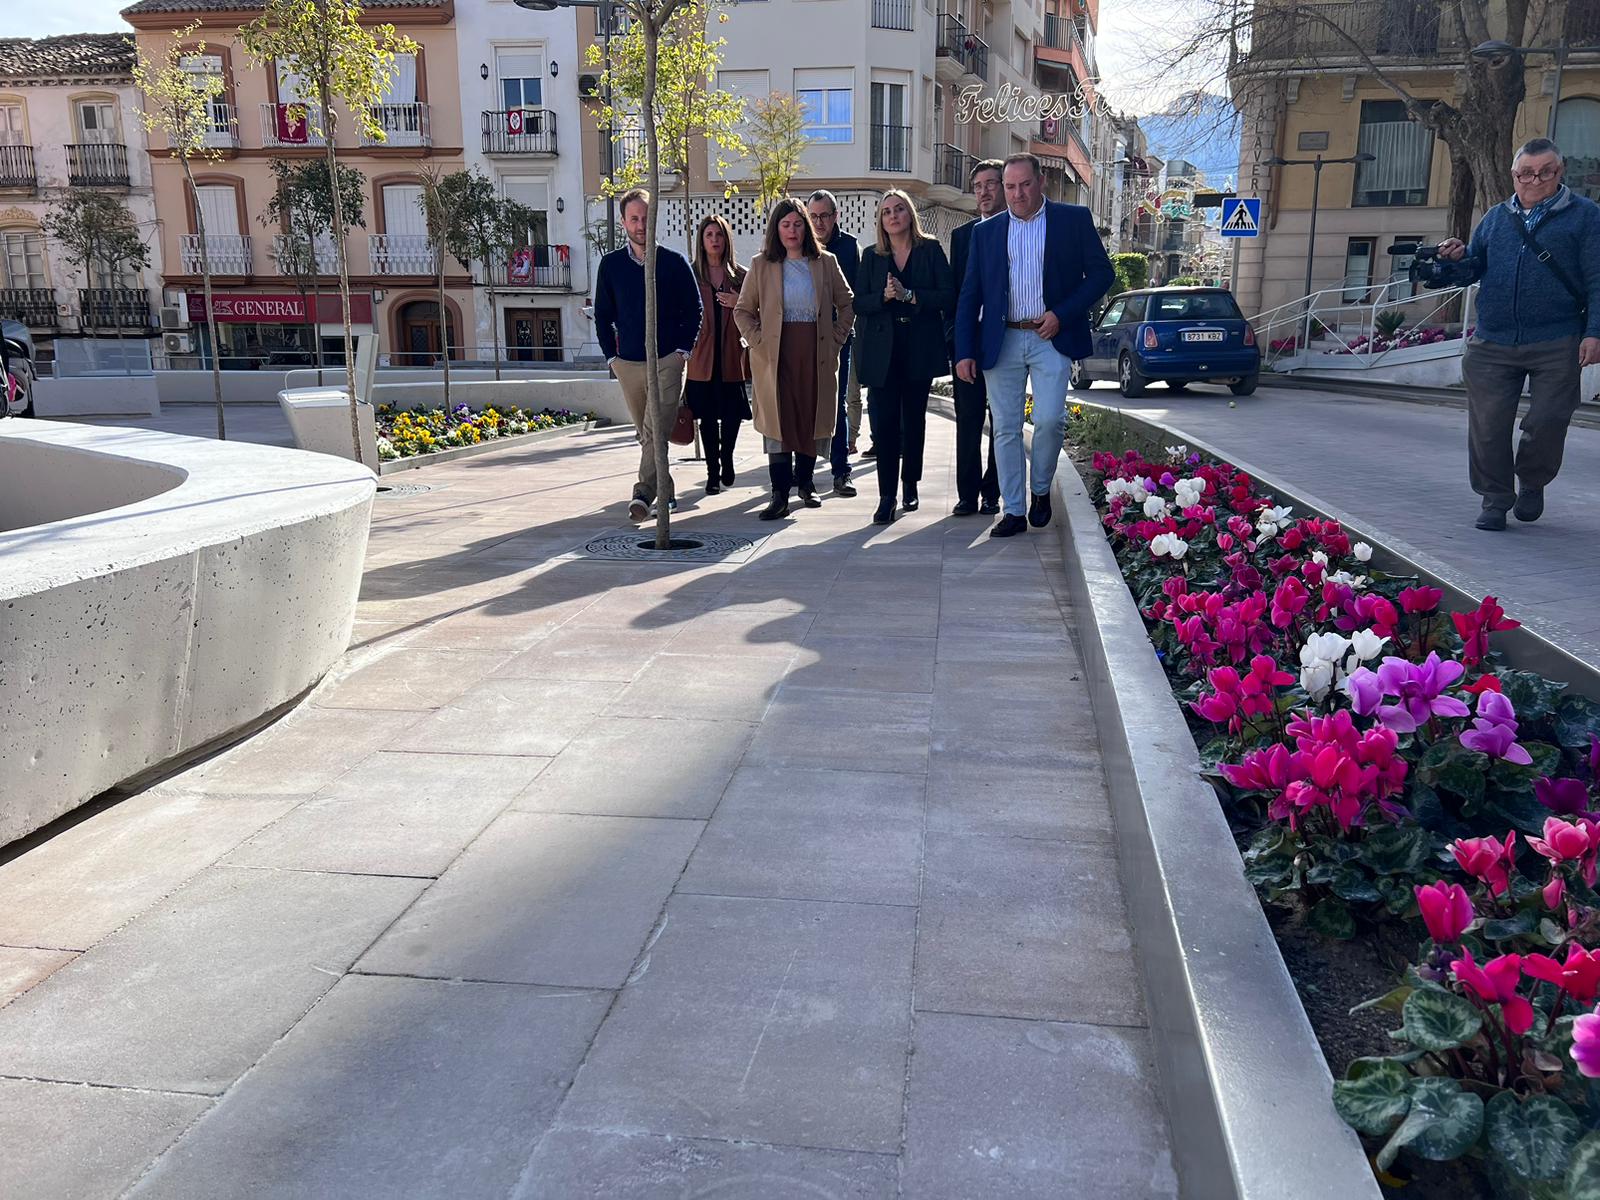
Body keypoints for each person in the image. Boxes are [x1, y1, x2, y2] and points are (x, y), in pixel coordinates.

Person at [1437, 137, 1600, 531]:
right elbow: (1474, 269)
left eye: (1545, 171)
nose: (1535, 180)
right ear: (1514, 175)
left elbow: (1597, 279)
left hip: (1557, 338)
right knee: (1488, 426)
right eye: (1526, 173)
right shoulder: (1496, 217)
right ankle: (1494, 499)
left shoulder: (1585, 216)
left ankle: (1532, 480)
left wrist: (1594, 332)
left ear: (1559, 173)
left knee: (1547, 421)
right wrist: (1456, 259)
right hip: (1493, 340)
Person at [954, 152, 1115, 537]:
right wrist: (963, 350)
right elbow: (969, 293)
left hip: (1051, 336)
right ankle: (1013, 510)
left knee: (1049, 420)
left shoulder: (1072, 221)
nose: (1017, 194)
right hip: (1002, 338)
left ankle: (1040, 489)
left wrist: (1062, 312)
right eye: (1010, 186)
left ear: (1041, 182)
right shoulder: (985, 232)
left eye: (1025, 185)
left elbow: (1101, 274)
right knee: (1005, 428)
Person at [735, 198, 855, 520]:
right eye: (785, 224)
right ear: (777, 228)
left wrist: (835, 340)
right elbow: (743, 310)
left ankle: (806, 484)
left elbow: (847, 304)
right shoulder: (761, 264)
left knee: (808, 416)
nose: (792, 230)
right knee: (779, 421)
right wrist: (758, 343)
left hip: (816, 353)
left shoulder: (825, 262)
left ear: (806, 227)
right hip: (775, 357)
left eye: (797, 223)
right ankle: (778, 494)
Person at [593, 187, 702, 522]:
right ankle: (666, 493)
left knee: (656, 429)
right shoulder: (610, 265)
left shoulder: (674, 262)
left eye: (646, 217)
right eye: (634, 218)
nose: (641, 224)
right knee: (647, 434)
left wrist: (683, 351)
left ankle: (642, 494)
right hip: (628, 363)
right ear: (624, 223)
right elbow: (602, 315)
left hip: (668, 360)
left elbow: (694, 309)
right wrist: (612, 358)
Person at [854, 189, 955, 525]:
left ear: (910, 214)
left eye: (899, 209)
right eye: (886, 212)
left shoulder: (930, 250)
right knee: (883, 425)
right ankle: (886, 496)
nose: (893, 216)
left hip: (918, 348)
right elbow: (859, 303)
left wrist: (910, 295)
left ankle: (909, 482)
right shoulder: (871, 256)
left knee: (913, 421)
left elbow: (947, 295)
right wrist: (883, 297)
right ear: (881, 220)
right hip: (881, 351)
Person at [946, 158, 1004, 516]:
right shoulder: (962, 236)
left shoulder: (1016, 231)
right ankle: (967, 494)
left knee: (1003, 420)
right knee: (967, 418)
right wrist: (956, 341)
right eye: (978, 185)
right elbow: (956, 295)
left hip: (1003, 340)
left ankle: (992, 491)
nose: (983, 192)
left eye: (990, 184)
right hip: (968, 340)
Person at [685, 213, 751, 494]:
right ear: (701, 240)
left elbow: (756, 312)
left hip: (732, 355)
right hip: (702, 358)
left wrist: (739, 302)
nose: (714, 240)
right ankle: (713, 472)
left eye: (719, 235)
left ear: (727, 240)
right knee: (707, 417)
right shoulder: (691, 275)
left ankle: (727, 457)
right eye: (709, 235)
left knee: (732, 413)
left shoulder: (742, 276)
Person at [806, 190, 861, 496]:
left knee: (836, 404)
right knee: (804, 404)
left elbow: (850, 298)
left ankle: (841, 471)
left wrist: (841, 333)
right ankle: (804, 472)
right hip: (802, 338)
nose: (818, 222)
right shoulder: (800, 244)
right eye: (813, 216)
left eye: (824, 216)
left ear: (835, 216)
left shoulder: (849, 247)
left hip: (838, 339)